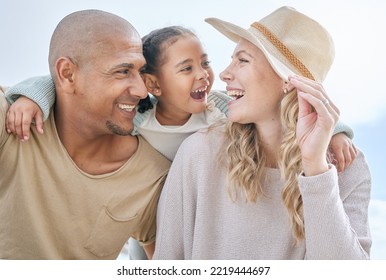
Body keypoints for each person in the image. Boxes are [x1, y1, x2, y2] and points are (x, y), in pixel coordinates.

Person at [4, 22, 357, 259]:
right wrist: (34, 94)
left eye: (206, 63)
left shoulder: (219, 109)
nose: (215, 74)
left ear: (287, 80)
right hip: (160, 219)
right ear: (154, 86)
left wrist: (333, 135)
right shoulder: (138, 119)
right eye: (187, 68)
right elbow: (81, 90)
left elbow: (287, 113)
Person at [153, 6, 372, 259]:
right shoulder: (200, 153)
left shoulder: (347, 167)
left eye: (242, 60)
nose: (224, 74)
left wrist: (315, 170)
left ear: (287, 80)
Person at [0, 9, 171, 260]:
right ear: (67, 74)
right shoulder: (10, 118)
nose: (141, 91)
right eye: (123, 71)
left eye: (140, 72)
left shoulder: (153, 175)